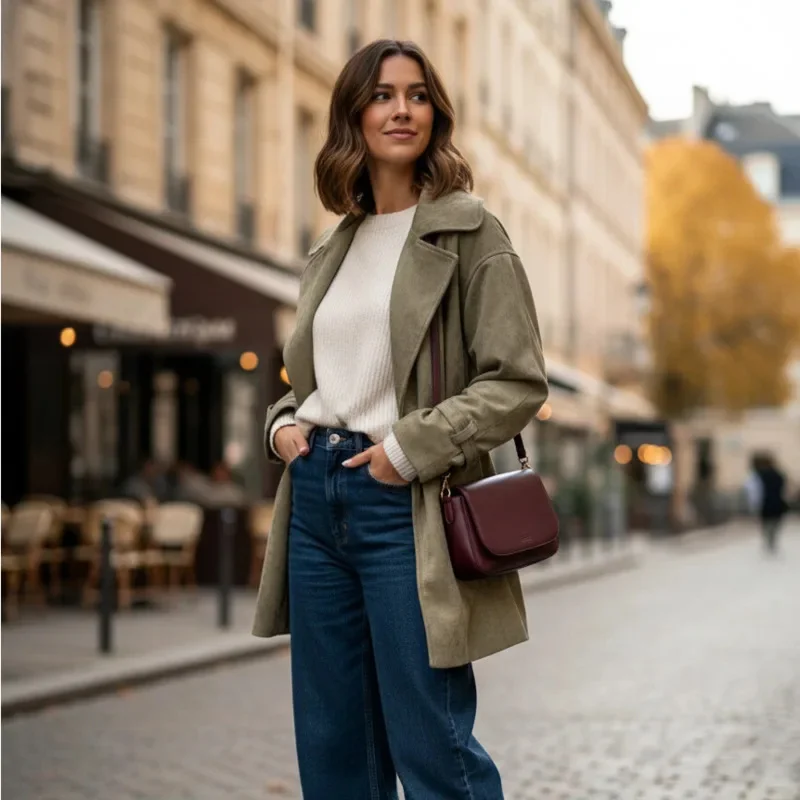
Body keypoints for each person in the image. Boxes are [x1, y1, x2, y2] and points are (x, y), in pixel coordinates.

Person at [253, 39, 548, 799]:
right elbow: (317, 379)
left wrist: (407, 450)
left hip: (405, 502)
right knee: (334, 745)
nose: (402, 109)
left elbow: (516, 381)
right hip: (316, 503)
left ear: (435, 114)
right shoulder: (333, 247)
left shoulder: (470, 232)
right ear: (354, 114)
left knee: (432, 741)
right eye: (382, 95)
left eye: (417, 95)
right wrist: (284, 422)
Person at [753, 453, 788, 553]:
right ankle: (772, 540)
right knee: (775, 523)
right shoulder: (779, 475)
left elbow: (756, 491)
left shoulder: (760, 476)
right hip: (778, 502)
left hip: (766, 503)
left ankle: (768, 540)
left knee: (767, 523)